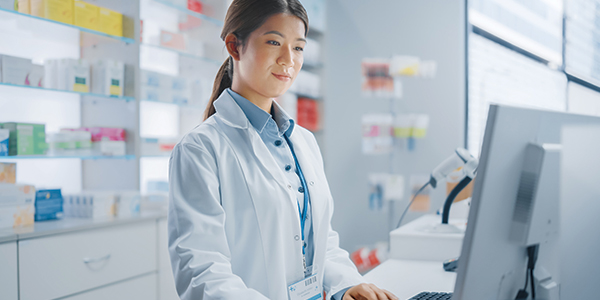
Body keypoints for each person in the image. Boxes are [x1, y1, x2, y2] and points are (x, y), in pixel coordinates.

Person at [168, 0, 398, 299]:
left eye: (299, 47)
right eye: (274, 42)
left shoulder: (304, 141)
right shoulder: (200, 149)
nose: (288, 59)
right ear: (234, 46)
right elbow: (200, 268)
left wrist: (346, 285)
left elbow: (317, 238)